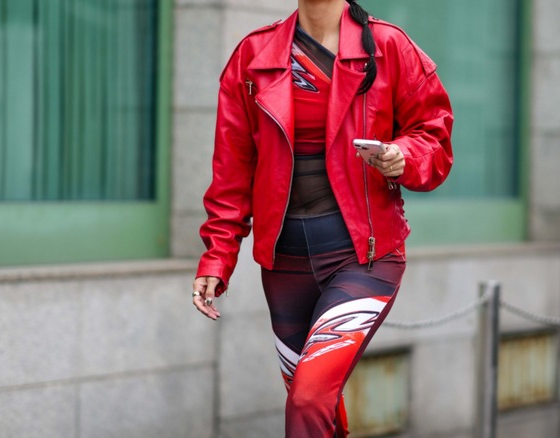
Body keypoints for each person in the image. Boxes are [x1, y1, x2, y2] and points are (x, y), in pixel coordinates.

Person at [192, 0, 453, 436]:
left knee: (307, 400)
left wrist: (402, 156)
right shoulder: (254, 55)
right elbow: (232, 171)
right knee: (316, 407)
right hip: (284, 267)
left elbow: (435, 137)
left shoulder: (387, 46)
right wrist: (218, 256)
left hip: (363, 258)